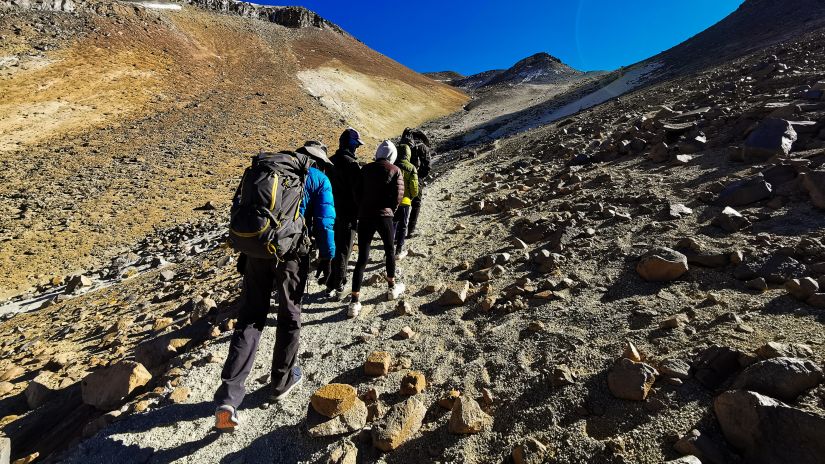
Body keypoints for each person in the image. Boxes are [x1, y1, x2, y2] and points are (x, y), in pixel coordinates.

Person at [214, 142, 335, 431]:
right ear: (317, 160)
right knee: (290, 314)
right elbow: (324, 220)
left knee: (250, 317)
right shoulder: (316, 177)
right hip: (291, 255)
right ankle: (281, 381)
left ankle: (228, 399)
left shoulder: (268, 170)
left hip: (258, 251)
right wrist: (328, 256)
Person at [348, 140, 405, 318]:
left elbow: (356, 192)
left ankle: (354, 301)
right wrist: (390, 211)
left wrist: (362, 208)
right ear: (391, 155)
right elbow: (398, 195)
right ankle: (391, 287)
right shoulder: (395, 170)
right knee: (389, 251)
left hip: (365, 216)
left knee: (362, 258)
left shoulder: (365, 169)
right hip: (385, 216)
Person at [325, 127, 363, 299]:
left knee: (333, 247)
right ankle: (338, 286)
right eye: (356, 145)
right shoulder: (353, 165)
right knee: (344, 249)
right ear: (352, 145)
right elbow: (358, 192)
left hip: (329, 211)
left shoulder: (329, 161)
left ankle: (332, 280)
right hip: (348, 213)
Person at [399, 128, 433, 238]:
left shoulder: (400, 146)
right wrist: (419, 178)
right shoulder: (422, 147)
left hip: (399, 177)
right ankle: (411, 230)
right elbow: (427, 166)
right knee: (416, 204)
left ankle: (396, 231)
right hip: (416, 178)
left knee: (399, 203)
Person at [392, 143, 419, 260]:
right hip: (405, 202)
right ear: (408, 154)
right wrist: (411, 197)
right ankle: (399, 249)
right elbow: (414, 188)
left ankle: (388, 248)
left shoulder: (393, 165)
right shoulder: (412, 168)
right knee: (403, 226)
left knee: (392, 225)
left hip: (392, 202)